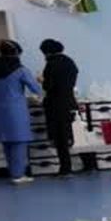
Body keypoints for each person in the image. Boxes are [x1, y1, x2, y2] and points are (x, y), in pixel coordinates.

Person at [0, 40, 42, 184]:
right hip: (15, 110)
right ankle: (18, 175)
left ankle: (14, 173)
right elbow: (36, 89)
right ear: (16, 53)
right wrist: (40, 81)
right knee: (19, 142)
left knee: (7, 142)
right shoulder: (20, 69)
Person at [39, 38, 79, 177]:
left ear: (47, 52)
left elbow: (48, 86)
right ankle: (89, 164)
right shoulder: (69, 62)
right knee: (76, 135)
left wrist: (41, 81)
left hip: (55, 105)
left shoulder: (51, 64)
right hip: (70, 101)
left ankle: (65, 169)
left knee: (60, 139)